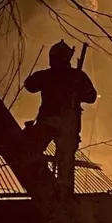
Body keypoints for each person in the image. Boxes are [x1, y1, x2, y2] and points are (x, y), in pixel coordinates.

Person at [23, 40, 96, 194]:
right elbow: (30, 85)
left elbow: (91, 96)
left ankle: (61, 192)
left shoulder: (72, 76)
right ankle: (50, 185)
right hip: (56, 123)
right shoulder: (57, 75)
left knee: (62, 159)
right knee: (39, 151)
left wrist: (77, 93)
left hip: (63, 123)